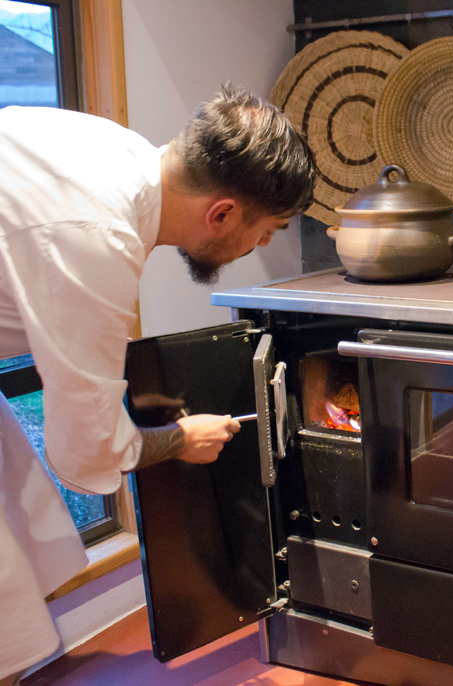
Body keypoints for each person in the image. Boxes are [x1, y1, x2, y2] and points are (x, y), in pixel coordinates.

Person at [0, 84, 316, 685]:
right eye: (267, 231)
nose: (261, 247)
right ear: (222, 213)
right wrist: (178, 441)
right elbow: (85, 453)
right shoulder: (98, 239)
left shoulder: (113, 150)